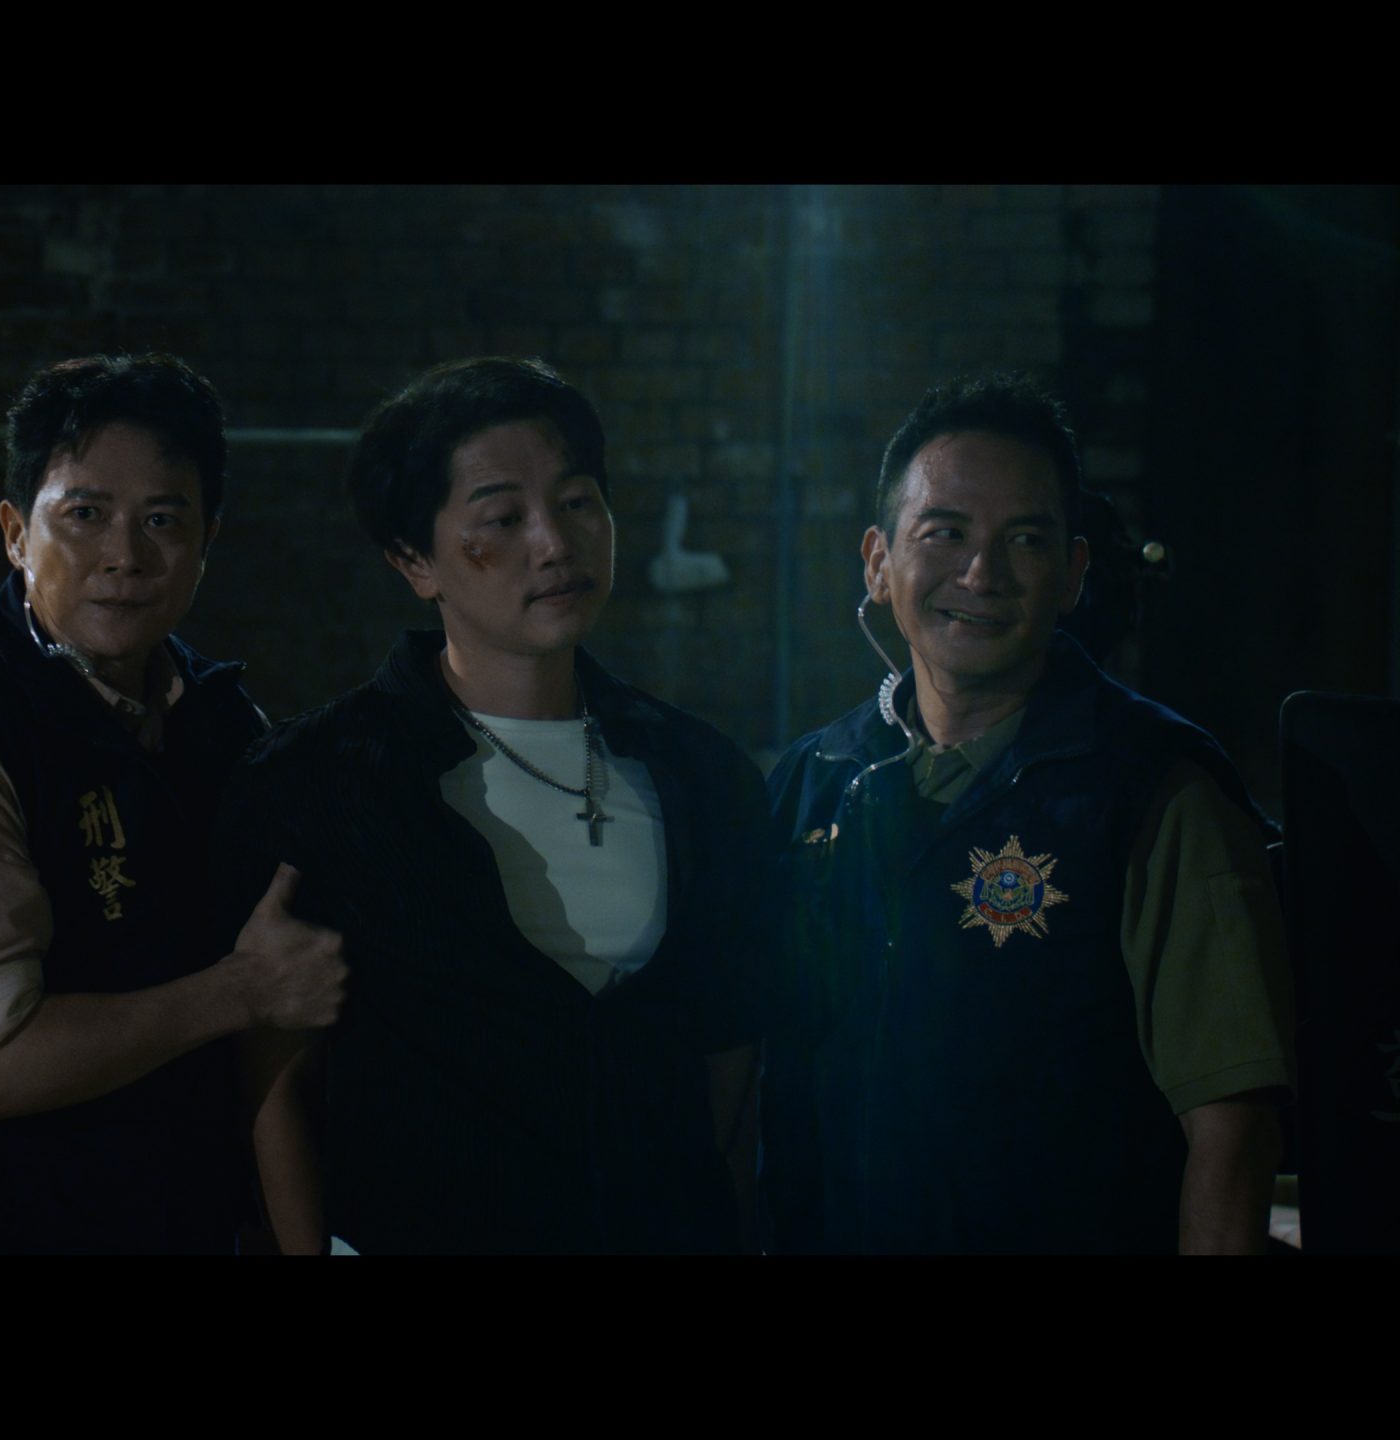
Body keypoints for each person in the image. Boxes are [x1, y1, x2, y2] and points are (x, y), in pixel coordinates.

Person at [215, 357, 769, 1255]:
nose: (554, 543)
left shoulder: (702, 776)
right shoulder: (322, 781)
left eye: (578, 502)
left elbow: (729, 1066)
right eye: (503, 519)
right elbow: (275, 1079)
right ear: (414, 561)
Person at [764, 372, 1292, 1254]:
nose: (983, 573)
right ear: (879, 562)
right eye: (945, 532)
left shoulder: (1152, 790)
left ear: (1074, 573)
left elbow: (1231, 1131)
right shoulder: (812, 783)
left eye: (1025, 539)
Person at [0, 353, 346, 1254]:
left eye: (162, 520)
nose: (125, 557)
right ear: (15, 534)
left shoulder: (219, 719)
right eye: (84, 515)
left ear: (208, 539)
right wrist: (239, 993)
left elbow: (283, 1004)